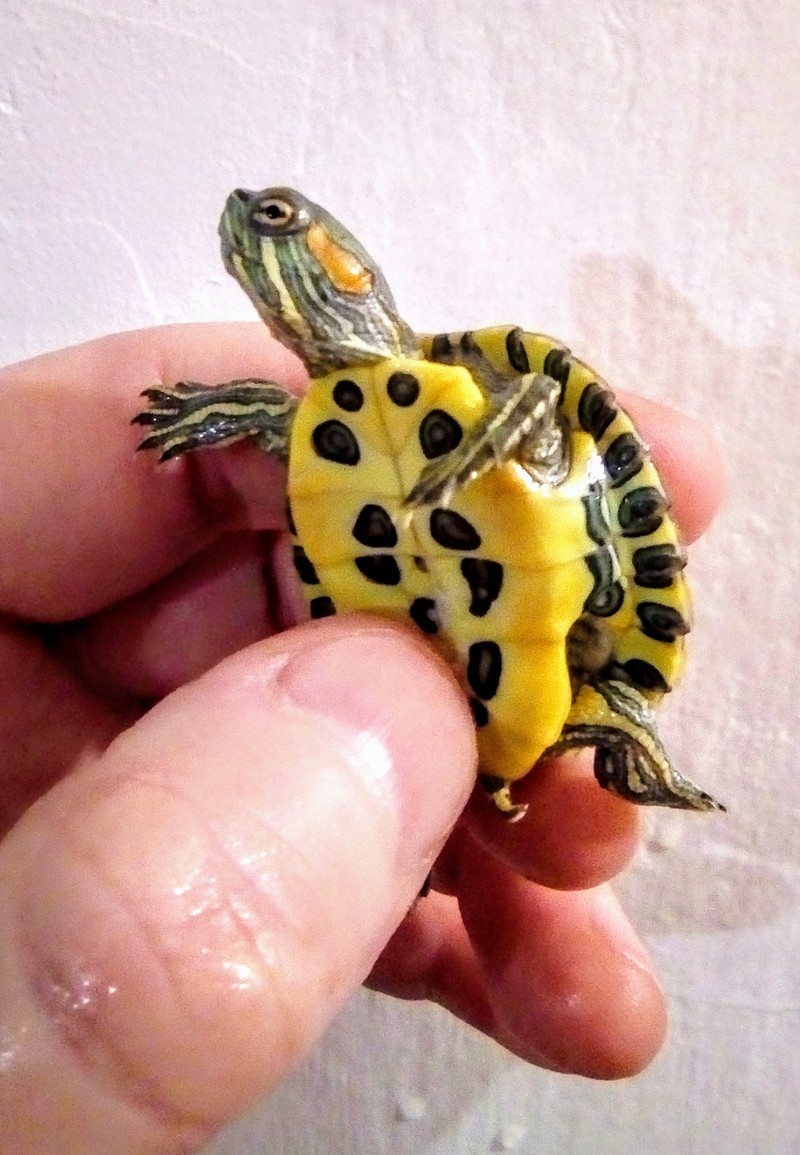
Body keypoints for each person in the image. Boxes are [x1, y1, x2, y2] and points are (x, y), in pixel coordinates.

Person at [0, 323, 724, 1152]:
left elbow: (540, 399)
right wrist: (210, 413)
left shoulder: (500, 393)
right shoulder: (306, 422)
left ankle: (618, 728)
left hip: (571, 609)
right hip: (414, 640)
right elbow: (281, 427)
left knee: (590, 704)